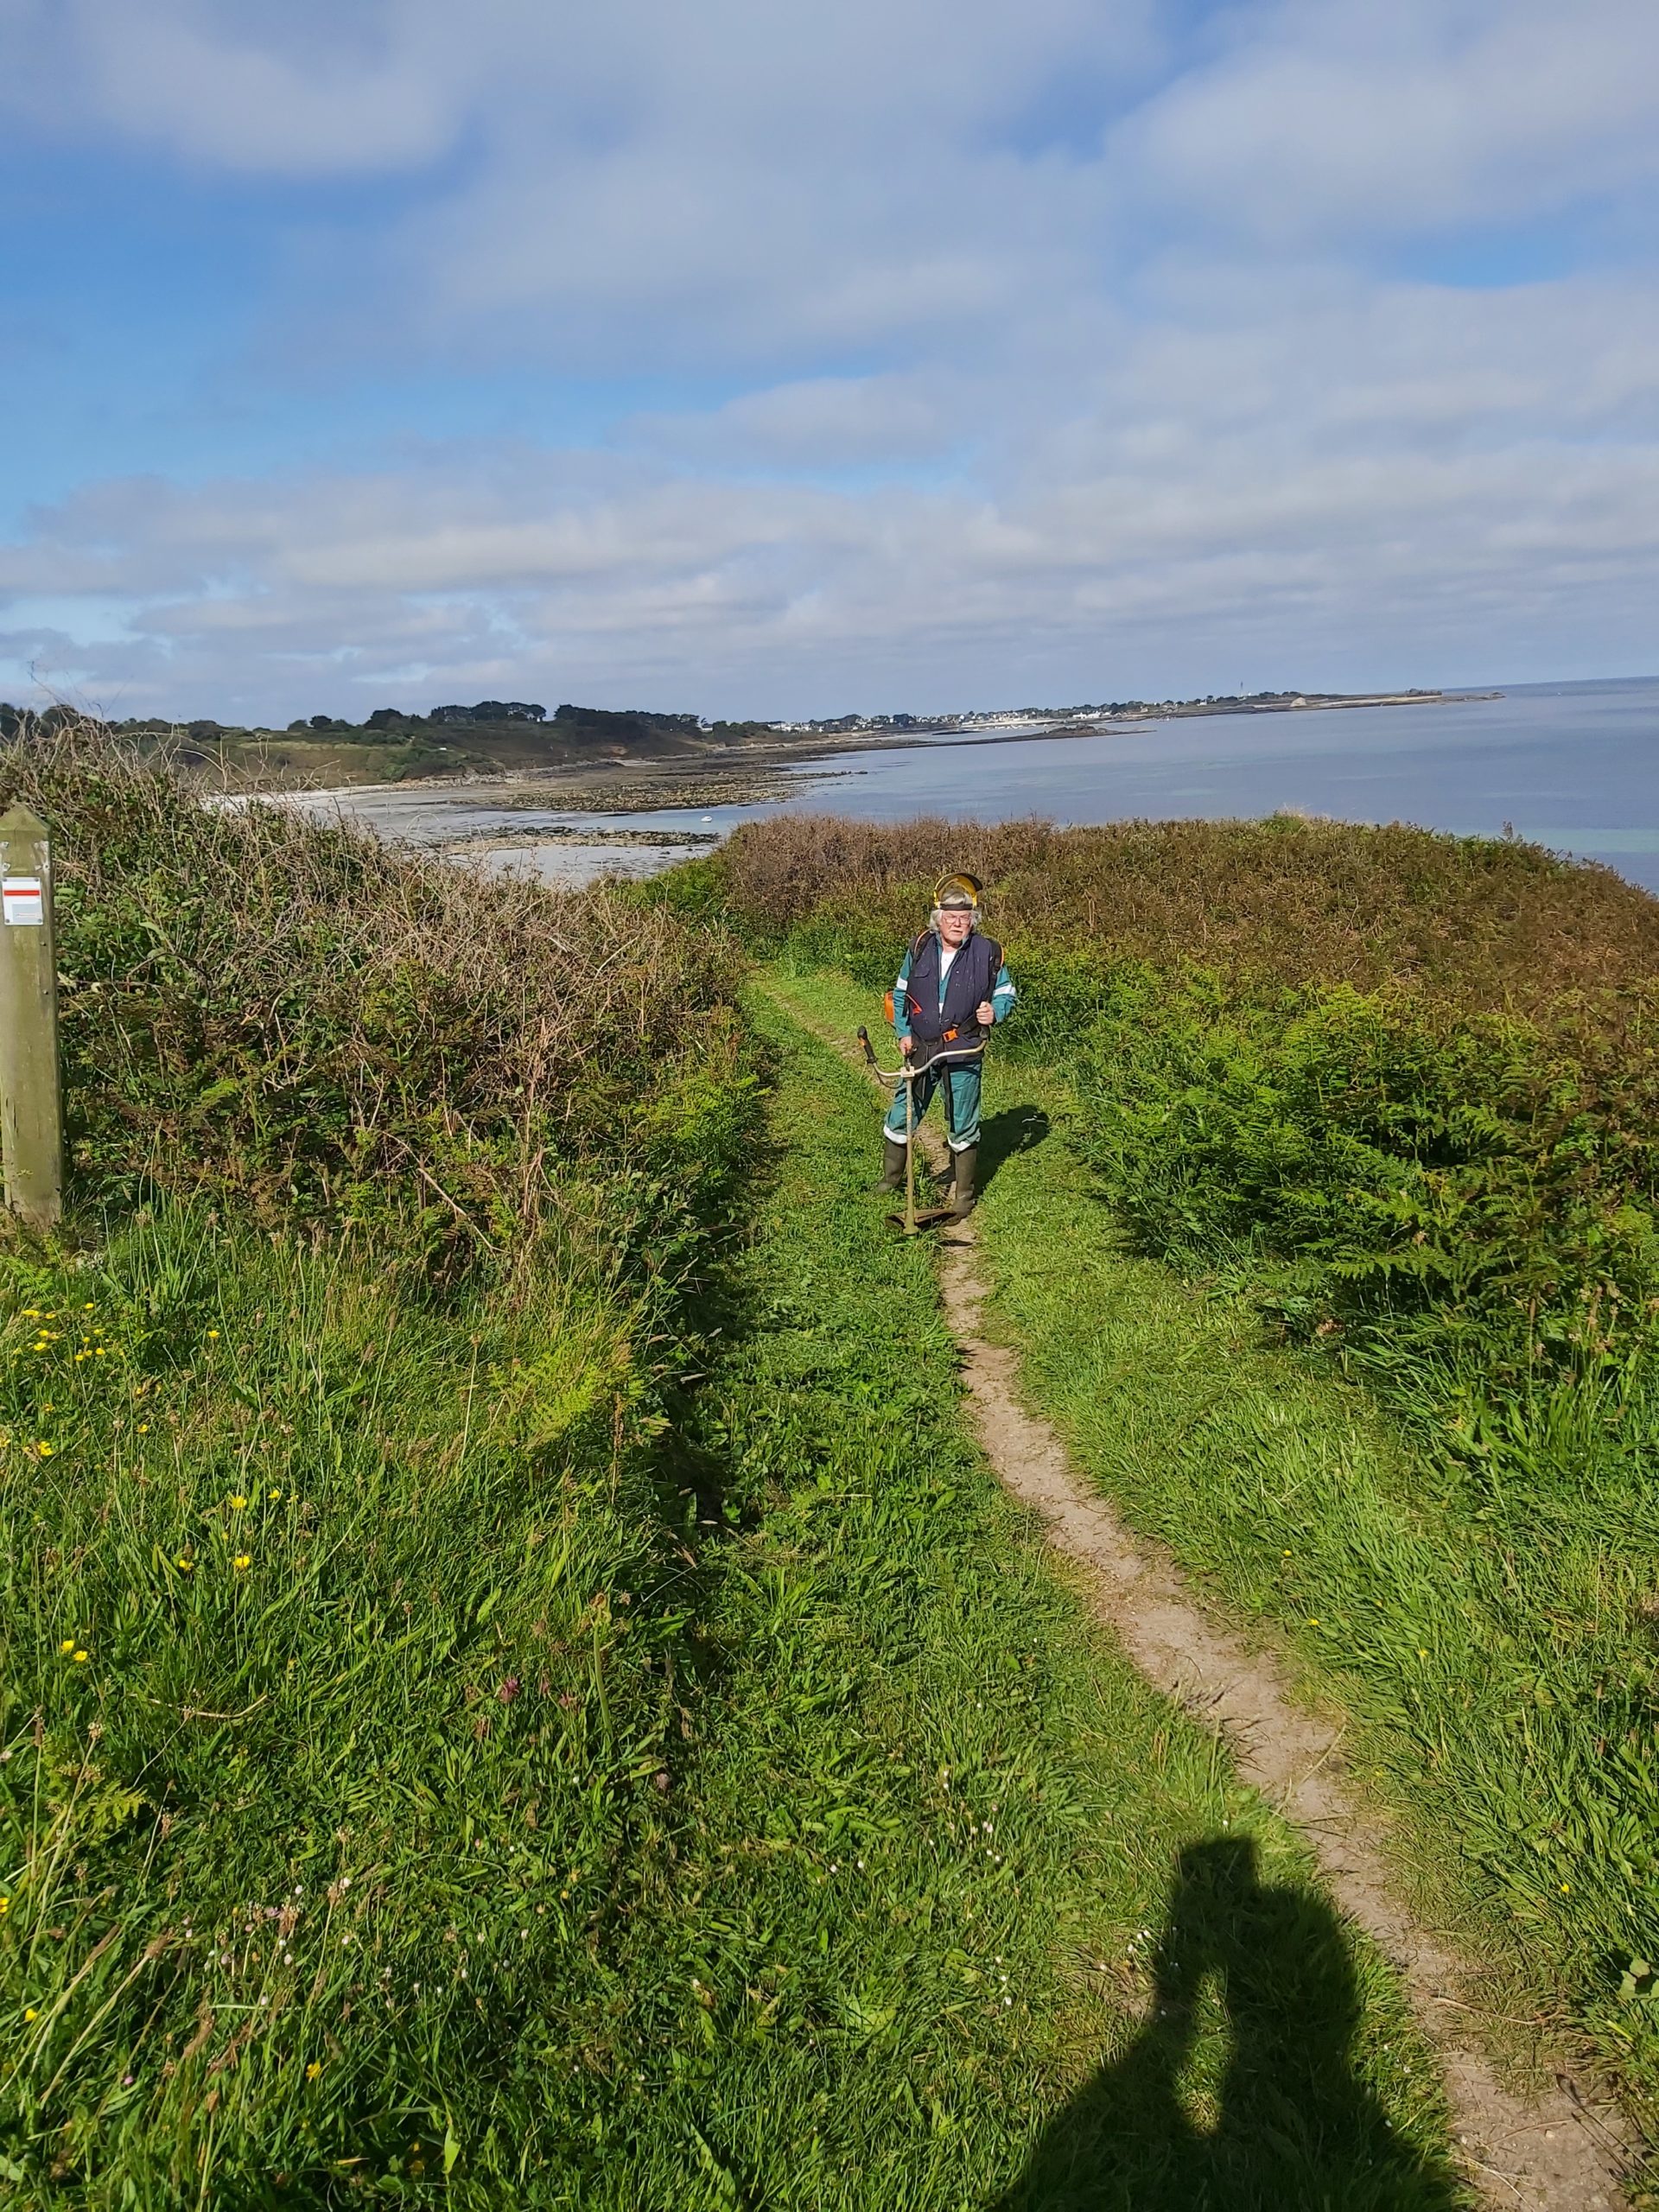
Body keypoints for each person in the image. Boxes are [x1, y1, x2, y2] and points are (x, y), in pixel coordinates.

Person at [881, 872, 1016, 1217]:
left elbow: (1006, 993)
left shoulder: (989, 952)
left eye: (965, 917)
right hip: (922, 1046)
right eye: (951, 917)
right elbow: (900, 994)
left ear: (974, 919)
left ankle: (964, 1196)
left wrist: (994, 1012)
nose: (958, 924)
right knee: (902, 1112)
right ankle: (890, 1179)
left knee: (962, 1120)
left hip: (964, 1047)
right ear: (938, 919)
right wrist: (903, 1032)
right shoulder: (919, 947)